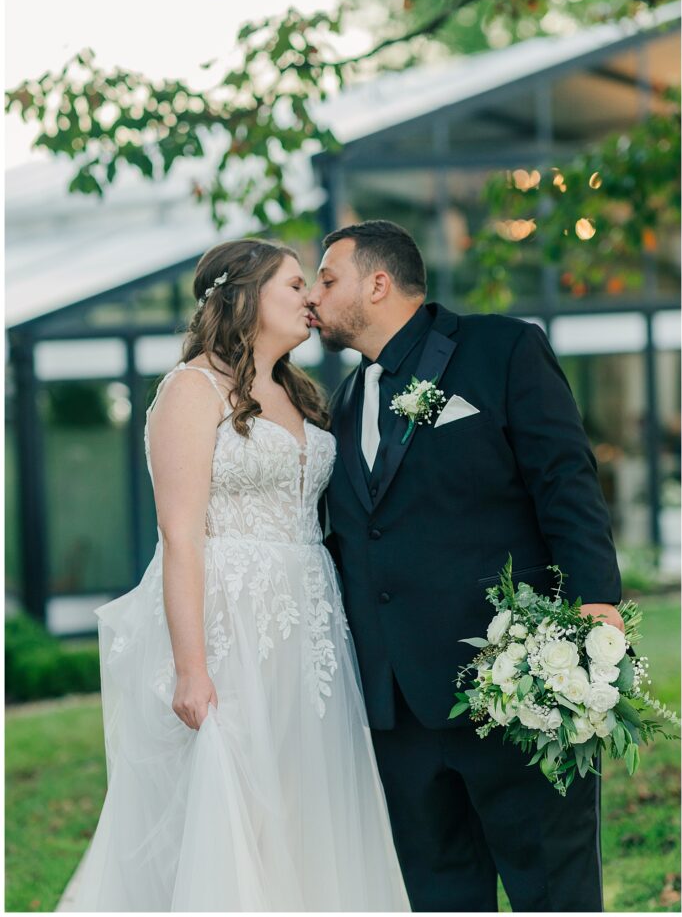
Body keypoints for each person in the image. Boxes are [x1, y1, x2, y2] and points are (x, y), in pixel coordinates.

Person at [71, 238, 410, 912]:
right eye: (294, 285)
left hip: (311, 630)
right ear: (245, 298)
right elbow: (180, 535)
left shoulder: (301, 394)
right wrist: (192, 668)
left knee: (307, 797)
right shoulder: (191, 390)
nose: (311, 299)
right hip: (234, 628)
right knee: (243, 807)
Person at [307, 219, 624, 913]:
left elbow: (565, 483)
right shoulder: (343, 402)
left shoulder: (502, 349)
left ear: (379, 283)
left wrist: (596, 607)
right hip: (398, 711)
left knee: (553, 888)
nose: (314, 297)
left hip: (511, 691)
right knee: (439, 896)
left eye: (328, 280)